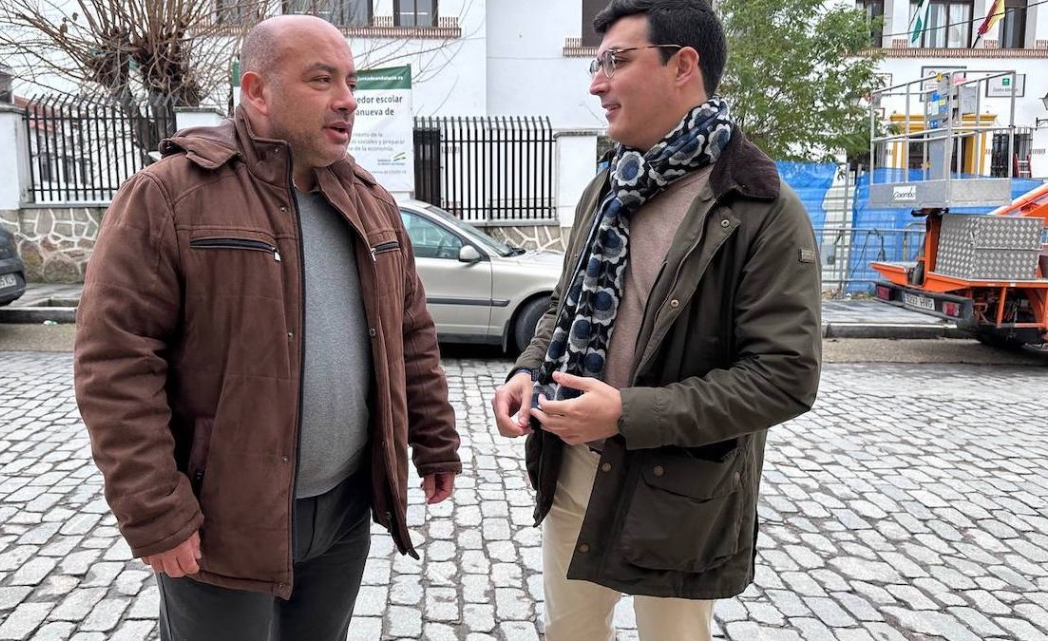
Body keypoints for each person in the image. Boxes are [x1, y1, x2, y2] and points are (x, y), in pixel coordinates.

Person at [74, 14, 462, 641]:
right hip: (221, 519)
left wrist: (434, 439)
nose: (347, 100)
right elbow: (115, 362)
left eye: (351, 82)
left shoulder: (371, 201)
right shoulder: (170, 194)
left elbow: (410, 330)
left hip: (342, 511)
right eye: (321, 79)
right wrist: (155, 513)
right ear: (256, 91)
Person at [491, 1, 822, 639]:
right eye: (596, 64)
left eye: (616, 61)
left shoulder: (758, 206)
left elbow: (784, 377)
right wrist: (529, 369)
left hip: (679, 493)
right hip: (572, 467)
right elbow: (565, 305)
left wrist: (626, 414)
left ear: (683, 65)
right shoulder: (606, 187)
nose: (595, 83)